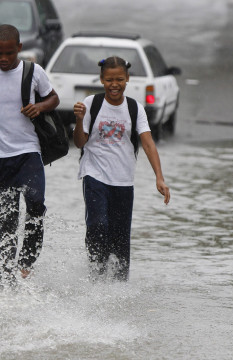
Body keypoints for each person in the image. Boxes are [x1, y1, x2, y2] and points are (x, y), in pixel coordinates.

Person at [0, 24, 60, 286]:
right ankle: (5, 276)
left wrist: (39, 106)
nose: (3, 59)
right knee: (5, 218)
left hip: (29, 152)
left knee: (36, 204)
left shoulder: (33, 71)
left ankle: (27, 259)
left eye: (8, 53)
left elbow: (54, 98)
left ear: (19, 48)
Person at [72, 56, 170, 282]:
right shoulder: (90, 104)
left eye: (119, 79)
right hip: (94, 175)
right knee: (98, 225)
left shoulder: (135, 108)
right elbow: (80, 142)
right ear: (101, 80)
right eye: (109, 80)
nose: (114, 84)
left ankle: (119, 290)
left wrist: (160, 178)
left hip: (124, 182)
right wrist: (78, 120)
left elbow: (147, 143)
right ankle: (95, 278)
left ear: (127, 79)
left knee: (120, 239)